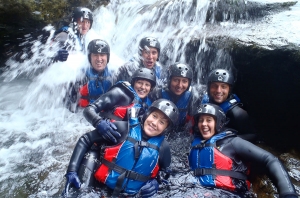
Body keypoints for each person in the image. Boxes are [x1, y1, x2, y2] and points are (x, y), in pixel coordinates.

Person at [62, 99, 179, 197]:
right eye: (154, 116)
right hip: (100, 188)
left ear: (166, 129)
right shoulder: (123, 128)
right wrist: (71, 171)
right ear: (147, 114)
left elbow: (166, 173)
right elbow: (85, 140)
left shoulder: (164, 148)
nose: (154, 123)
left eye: (162, 122)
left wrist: (156, 181)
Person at [188, 103, 298, 197]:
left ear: (219, 123)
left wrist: (288, 193)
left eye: (209, 120)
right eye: (201, 120)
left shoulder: (233, 142)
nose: (203, 124)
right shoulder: (196, 144)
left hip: (228, 194)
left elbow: (270, 159)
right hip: (199, 191)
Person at [83, 67, 157, 125]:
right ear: (133, 83)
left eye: (147, 85)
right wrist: (98, 123)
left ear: (151, 88)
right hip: (107, 134)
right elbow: (89, 109)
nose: (143, 87)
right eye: (140, 83)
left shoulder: (148, 104)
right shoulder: (119, 93)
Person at [202, 68, 257, 141]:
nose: (218, 90)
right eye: (214, 86)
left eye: (223, 87)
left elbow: (252, 135)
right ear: (209, 88)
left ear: (229, 90)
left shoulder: (238, 114)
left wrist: (225, 140)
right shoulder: (203, 102)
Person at [65, 39, 113, 112]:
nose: (99, 59)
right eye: (95, 55)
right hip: (82, 115)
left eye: (102, 55)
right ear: (89, 57)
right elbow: (67, 103)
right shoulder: (79, 76)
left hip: (105, 116)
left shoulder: (114, 75)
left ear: (107, 57)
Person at [149, 62, 200, 130]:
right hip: (159, 129)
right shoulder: (157, 94)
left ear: (189, 83)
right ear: (169, 80)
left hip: (182, 132)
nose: (179, 85)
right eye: (176, 80)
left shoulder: (193, 97)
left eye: (184, 81)